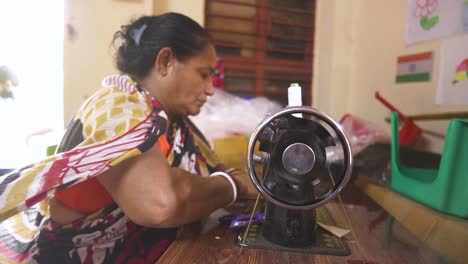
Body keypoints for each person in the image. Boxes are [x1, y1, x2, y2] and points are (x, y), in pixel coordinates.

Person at [0, 12, 256, 263]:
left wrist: (236, 185)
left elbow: (214, 178)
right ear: (165, 61)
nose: (211, 89)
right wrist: (234, 185)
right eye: (203, 74)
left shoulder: (176, 123)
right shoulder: (115, 105)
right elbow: (160, 204)